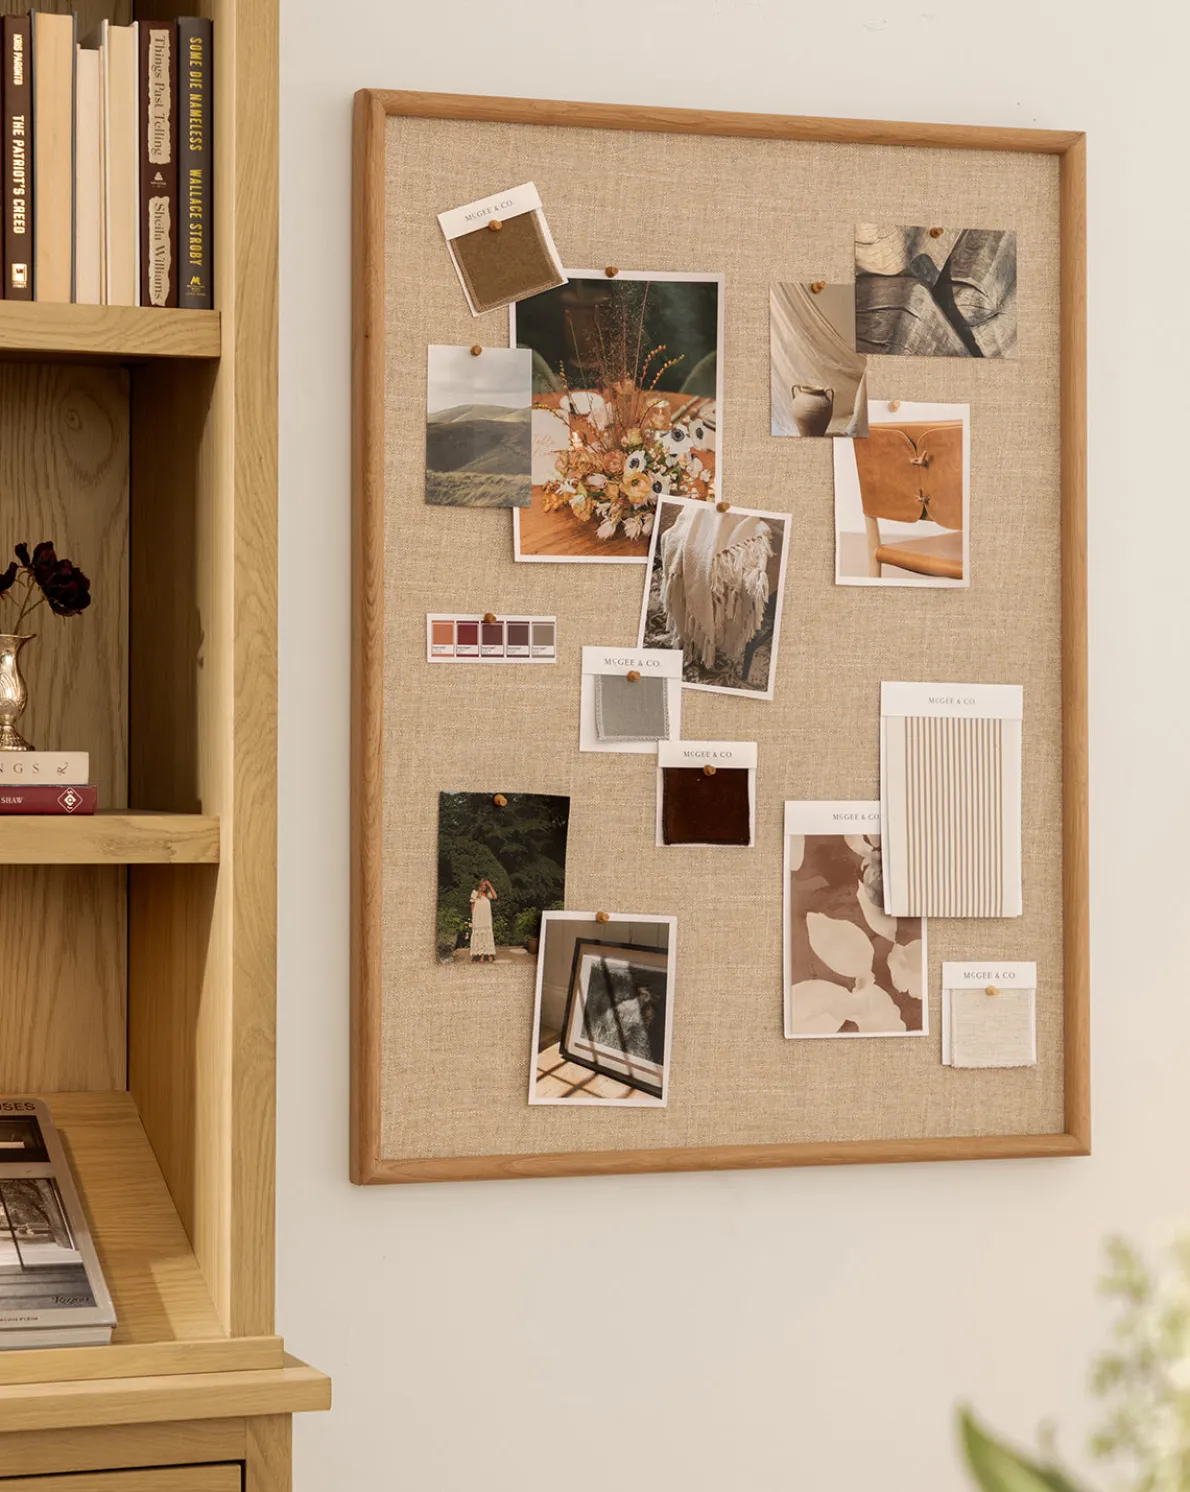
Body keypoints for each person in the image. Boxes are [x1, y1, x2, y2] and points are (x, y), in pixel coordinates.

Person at [469, 879, 498, 963]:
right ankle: (481, 955)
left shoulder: (488, 894)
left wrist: (490, 885)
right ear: (480, 885)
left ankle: (489, 955)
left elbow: (495, 896)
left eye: (485, 885)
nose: (484, 887)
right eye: (482, 885)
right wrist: (473, 918)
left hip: (486, 919)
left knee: (488, 935)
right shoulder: (475, 893)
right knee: (480, 936)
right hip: (478, 919)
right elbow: (472, 906)